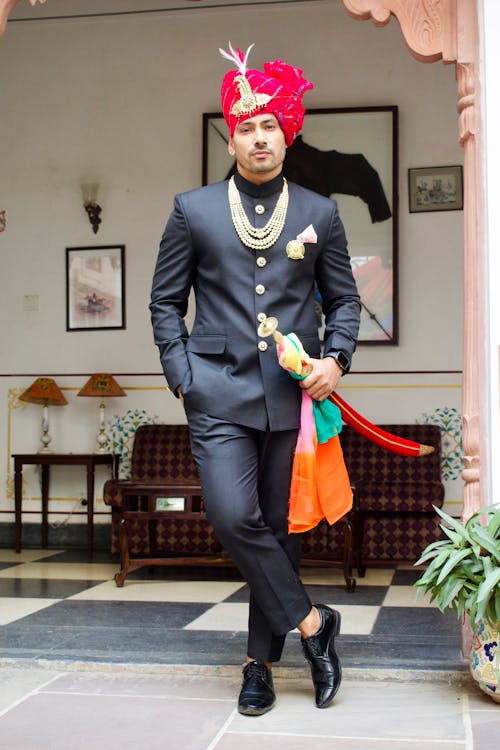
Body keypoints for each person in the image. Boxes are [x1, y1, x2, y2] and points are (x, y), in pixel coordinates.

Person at [150, 42, 361, 715]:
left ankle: (258, 667)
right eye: (246, 126)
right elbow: (164, 301)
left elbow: (346, 302)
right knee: (233, 515)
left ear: (287, 129)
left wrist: (336, 358)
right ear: (231, 136)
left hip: (289, 398)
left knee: (278, 527)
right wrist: (182, 374)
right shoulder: (194, 209)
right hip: (214, 390)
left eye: (270, 124)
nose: (259, 136)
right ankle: (312, 625)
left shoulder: (321, 214)